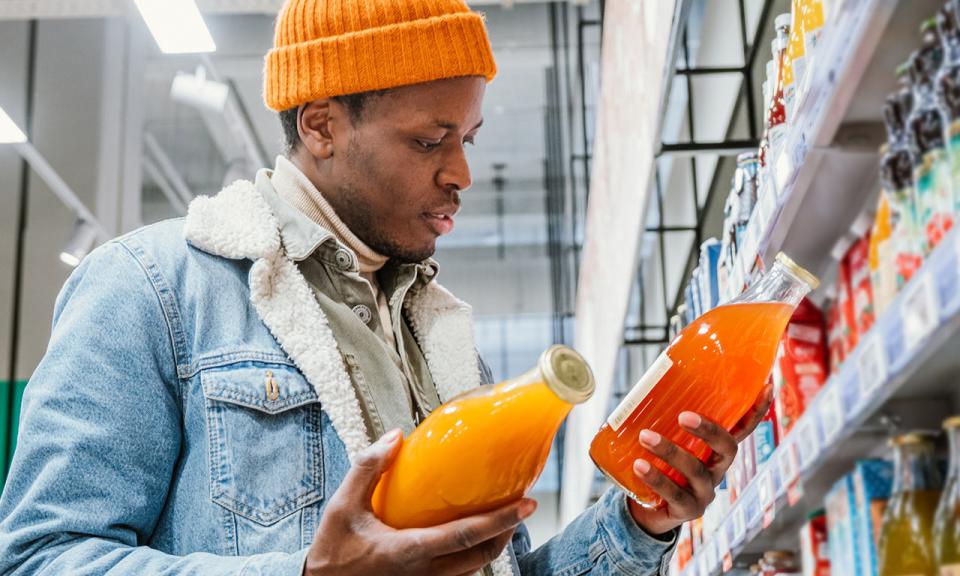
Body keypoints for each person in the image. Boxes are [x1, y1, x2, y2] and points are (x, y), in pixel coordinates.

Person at [0, 1, 772, 574]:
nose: (461, 174)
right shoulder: (152, 288)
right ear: (322, 126)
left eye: (466, 140)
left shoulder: (442, 344)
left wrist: (640, 520)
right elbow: (40, 558)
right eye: (430, 140)